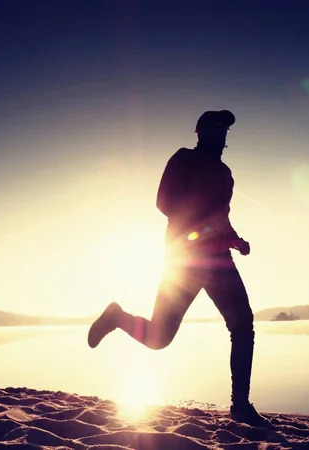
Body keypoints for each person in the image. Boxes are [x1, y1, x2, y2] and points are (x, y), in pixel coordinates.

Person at [87, 110, 271, 428]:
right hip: (183, 260)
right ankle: (116, 317)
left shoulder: (226, 174)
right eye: (216, 128)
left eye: (226, 129)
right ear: (200, 132)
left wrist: (235, 241)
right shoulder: (184, 159)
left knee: (243, 324)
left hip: (218, 262)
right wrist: (201, 221)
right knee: (159, 337)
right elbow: (164, 202)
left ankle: (240, 404)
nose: (222, 134)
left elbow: (221, 219)